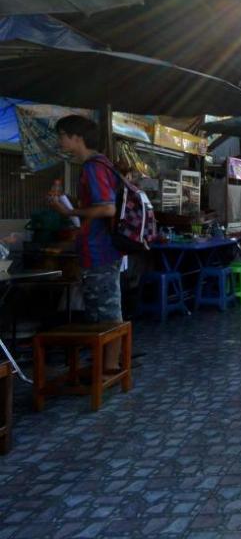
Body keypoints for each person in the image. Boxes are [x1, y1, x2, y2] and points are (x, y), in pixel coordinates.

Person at [49, 115, 124, 373]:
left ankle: (111, 367)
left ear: (76, 137)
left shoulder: (94, 167)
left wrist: (70, 213)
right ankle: (105, 364)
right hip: (98, 250)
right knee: (98, 312)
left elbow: (107, 208)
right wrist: (70, 205)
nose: (60, 141)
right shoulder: (97, 166)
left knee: (106, 311)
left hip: (100, 251)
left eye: (62, 136)